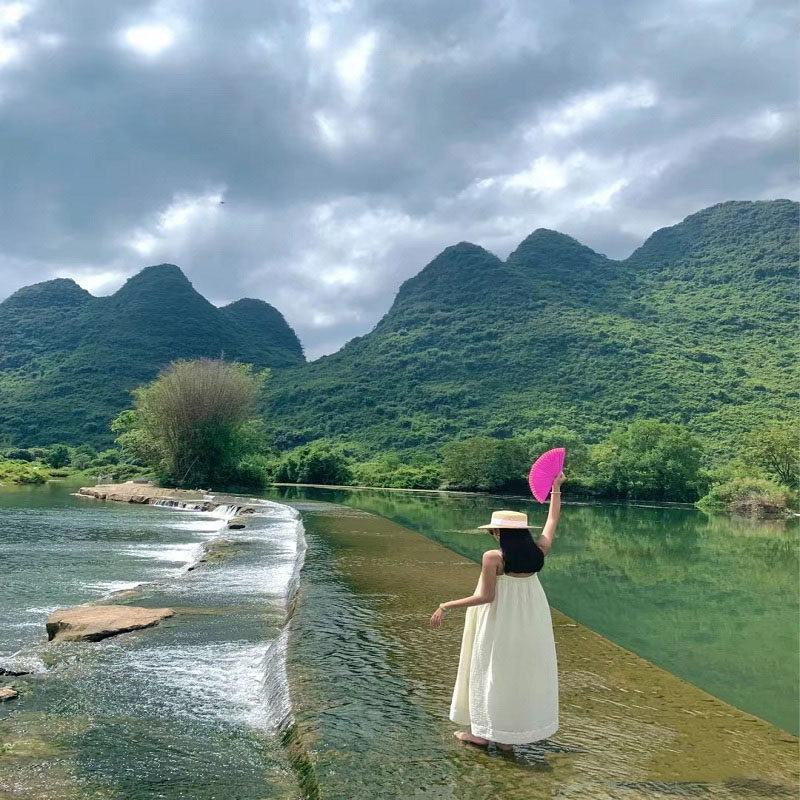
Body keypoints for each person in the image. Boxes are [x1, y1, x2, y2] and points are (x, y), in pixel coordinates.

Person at [429, 470, 565, 751]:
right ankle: (506, 738)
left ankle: (484, 733)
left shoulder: (494, 557)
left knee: (491, 671)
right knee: (519, 672)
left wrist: (446, 605)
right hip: (533, 619)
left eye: (493, 531)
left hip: (500, 619)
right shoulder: (539, 550)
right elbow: (552, 520)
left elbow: (485, 596)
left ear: (499, 532)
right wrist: (556, 487)